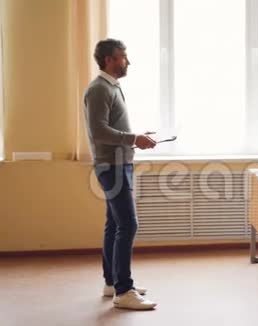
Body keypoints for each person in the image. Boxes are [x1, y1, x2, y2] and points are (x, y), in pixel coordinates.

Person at [84, 39, 157, 310]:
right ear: (108, 60)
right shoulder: (98, 89)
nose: (128, 61)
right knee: (129, 224)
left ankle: (112, 282)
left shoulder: (111, 87)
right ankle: (124, 291)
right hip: (111, 166)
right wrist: (133, 138)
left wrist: (137, 138)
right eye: (123, 57)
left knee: (115, 224)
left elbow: (112, 129)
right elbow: (99, 131)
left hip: (119, 164)